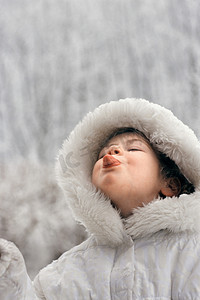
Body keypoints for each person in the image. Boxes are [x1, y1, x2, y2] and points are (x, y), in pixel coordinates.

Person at [1, 98, 200, 299]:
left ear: (170, 184)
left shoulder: (192, 253)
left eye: (133, 148)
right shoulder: (65, 272)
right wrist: (7, 276)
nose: (112, 152)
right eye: (102, 154)